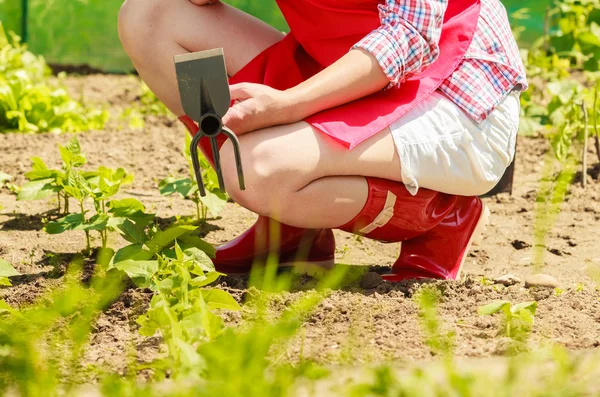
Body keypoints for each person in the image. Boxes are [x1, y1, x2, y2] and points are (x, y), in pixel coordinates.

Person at [118, 0, 527, 282]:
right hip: (339, 69)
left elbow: (412, 35)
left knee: (257, 170)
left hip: (453, 94)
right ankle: (295, 228)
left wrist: (288, 105)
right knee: (149, 15)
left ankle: (442, 215)